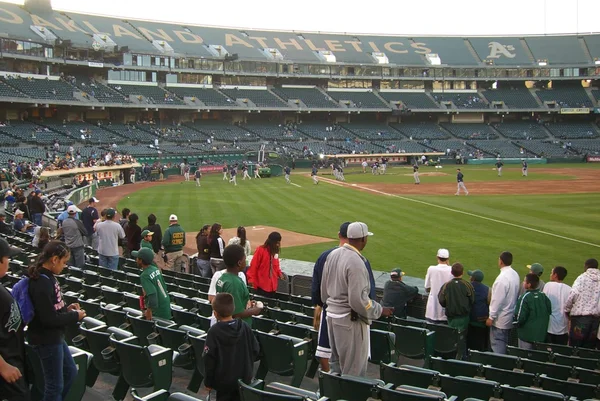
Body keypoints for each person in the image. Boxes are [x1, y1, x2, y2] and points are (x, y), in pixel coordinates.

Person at [321, 222, 393, 376]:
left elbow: (323, 293)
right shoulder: (356, 261)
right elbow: (357, 301)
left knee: (336, 369)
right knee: (353, 372)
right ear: (363, 239)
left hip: (331, 318)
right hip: (349, 321)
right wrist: (379, 310)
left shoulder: (333, 255)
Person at [28, 241, 86, 401]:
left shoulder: (48, 277)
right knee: (55, 386)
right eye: (64, 262)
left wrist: (66, 310)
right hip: (47, 339)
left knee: (70, 372)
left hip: (55, 337)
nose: (65, 266)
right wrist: (75, 316)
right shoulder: (41, 282)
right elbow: (48, 319)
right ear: (54, 259)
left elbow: (50, 309)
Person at [202, 293, 260, 401]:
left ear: (215, 313)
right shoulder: (244, 326)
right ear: (233, 309)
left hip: (223, 384)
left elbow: (209, 359)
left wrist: (208, 382)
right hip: (244, 380)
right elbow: (255, 349)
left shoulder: (214, 332)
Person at [311, 222, 351, 372]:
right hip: (348, 315)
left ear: (339, 235)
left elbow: (316, 289)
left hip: (327, 309)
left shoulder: (324, 256)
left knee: (325, 349)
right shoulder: (358, 260)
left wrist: (319, 304)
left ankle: (330, 383)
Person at [0, 238, 29, 401]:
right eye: (7, 257)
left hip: (13, 363)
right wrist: (3, 367)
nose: (9, 261)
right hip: (6, 370)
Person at [215, 245, 262, 327]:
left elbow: (230, 303)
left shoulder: (223, 278)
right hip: (237, 330)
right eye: (244, 259)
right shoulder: (234, 283)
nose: (245, 261)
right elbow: (235, 314)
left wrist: (247, 303)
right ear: (239, 263)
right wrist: (256, 310)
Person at [486, 251, 520, 354]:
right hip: (510, 316)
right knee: (506, 345)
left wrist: (491, 317)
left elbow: (497, 300)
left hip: (500, 320)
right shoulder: (515, 274)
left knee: (498, 347)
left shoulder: (502, 279)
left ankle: (499, 367)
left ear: (501, 261)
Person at [565, 258, 600, 348]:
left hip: (580, 319)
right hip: (595, 320)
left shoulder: (582, 278)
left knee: (575, 347)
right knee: (588, 348)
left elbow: (573, 294)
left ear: (586, 266)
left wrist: (567, 309)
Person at [514, 273, 552, 350]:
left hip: (526, 335)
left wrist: (516, 324)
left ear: (529, 284)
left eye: (525, 281)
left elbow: (520, 317)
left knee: (524, 358)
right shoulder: (543, 296)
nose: (523, 282)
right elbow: (549, 311)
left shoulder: (525, 297)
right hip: (540, 335)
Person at [133, 248, 171, 320]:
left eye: (137, 258)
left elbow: (153, 296)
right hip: (165, 304)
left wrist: (149, 311)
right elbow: (164, 286)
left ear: (141, 260)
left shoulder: (145, 275)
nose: (136, 260)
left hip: (157, 311)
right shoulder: (155, 269)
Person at [438, 262, 474, 332]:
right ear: (462, 272)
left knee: (451, 337)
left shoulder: (446, 285)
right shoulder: (467, 285)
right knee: (462, 338)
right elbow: (472, 300)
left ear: (451, 272)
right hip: (464, 317)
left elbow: (441, 300)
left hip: (451, 317)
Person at [247, 232, 284, 298]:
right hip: (261, 286)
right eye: (277, 242)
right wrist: (251, 280)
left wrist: (279, 273)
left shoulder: (275, 251)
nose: (278, 245)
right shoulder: (260, 250)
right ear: (272, 242)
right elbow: (253, 266)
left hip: (273, 287)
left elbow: (276, 266)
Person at [543, 266, 571, 345]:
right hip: (563, 327)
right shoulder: (569, 289)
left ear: (555, 275)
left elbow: (544, 303)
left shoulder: (548, 285)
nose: (550, 274)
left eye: (551, 273)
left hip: (549, 326)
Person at [424, 249, 453, 324]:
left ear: (437, 257)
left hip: (432, 308)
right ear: (447, 259)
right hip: (446, 307)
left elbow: (427, 287)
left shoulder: (431, 269)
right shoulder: (451, 269)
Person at [466, 269, 491, 351]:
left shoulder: (467, 286)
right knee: (479, 345)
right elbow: (489, 302)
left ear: (472, 278)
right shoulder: (487, 289)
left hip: (468, 320)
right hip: (481, 321)